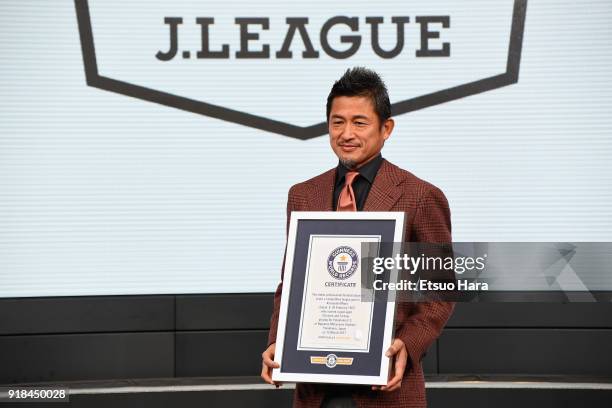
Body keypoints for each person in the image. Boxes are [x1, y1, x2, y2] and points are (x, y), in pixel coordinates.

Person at [261, 67, 454, 408]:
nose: (346, 133)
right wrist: (281, 341)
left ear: (386, 128)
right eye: (338, 122)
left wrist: (407, 345)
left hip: (386, 389)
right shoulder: (303, 195)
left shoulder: (420, 196)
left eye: (359, 122)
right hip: (315, 388)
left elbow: (440, 290)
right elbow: (290, 283)